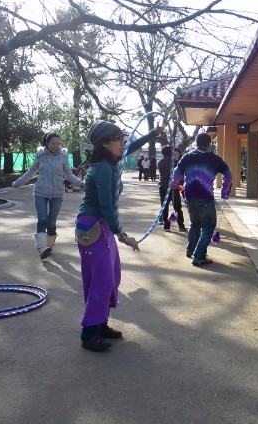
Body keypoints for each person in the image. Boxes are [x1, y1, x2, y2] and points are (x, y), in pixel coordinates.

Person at [74, 120, 157, 352]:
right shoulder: (102, 169)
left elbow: (130, 147)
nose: (123, 142)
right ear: (104, 143)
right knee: (100, 281)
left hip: (103, 228)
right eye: (118, 139)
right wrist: (123, 235)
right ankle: (89, 334)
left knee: (111, 278)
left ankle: (101, 324)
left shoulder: (110, 161)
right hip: (93, 228)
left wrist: (153, 133)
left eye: (122, 138)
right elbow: (106, 207)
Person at [12, 132, 83, 258]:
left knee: (51, 223)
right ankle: (42, 247)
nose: (56, 146)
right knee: (42, 219)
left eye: (58, 143)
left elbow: (69, 174)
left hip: (57, 192)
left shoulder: (63, 156)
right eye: (53, 143)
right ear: (47, 143)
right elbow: (31, 172)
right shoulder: (40, 155)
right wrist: (17, 183)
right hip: (41, 191)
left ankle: (49, 247)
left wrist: (80, 183)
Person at [171, 133, 231, 266]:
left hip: (189, 195)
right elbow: (228, 173)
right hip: (205, 196)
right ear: (209, 144)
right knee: (208, 227)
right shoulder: (214, 158)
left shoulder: (187, 156)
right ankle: (199, 256)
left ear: (196, 143)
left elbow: (177, 172)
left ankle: (190, 250)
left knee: (195, 224)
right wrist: (224, 191)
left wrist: (174, 184)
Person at [157, 146, 186, 232]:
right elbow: (180, 175)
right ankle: (181, 225)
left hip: (163, 186)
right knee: (177, 207)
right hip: (174, 186)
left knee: (164, 206)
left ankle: (166, 226)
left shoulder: (159, 162)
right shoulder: (176, 162)